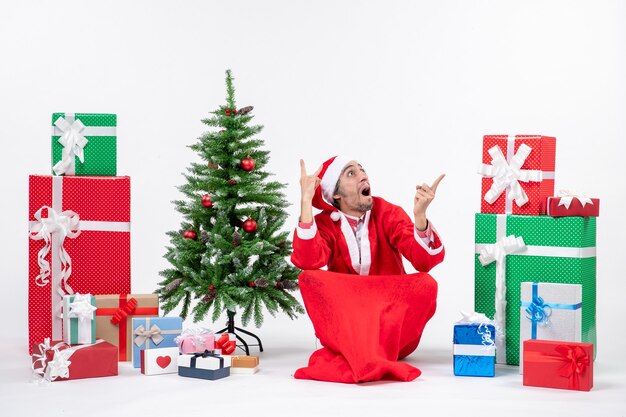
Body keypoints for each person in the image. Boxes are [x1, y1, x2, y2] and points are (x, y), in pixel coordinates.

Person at [291, 155, 446, 383]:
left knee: (426, 283)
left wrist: (420, 216)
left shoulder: (387, 212)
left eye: (362, 170)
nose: (363, 175)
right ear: (336, 194)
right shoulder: (325, 223)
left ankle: (373, 352)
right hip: (350, 323)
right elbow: (308, 261)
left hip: (389, 323)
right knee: (309, 278)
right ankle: (362, 351)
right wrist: (306, 201)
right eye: (351, 173)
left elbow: (424, 262)